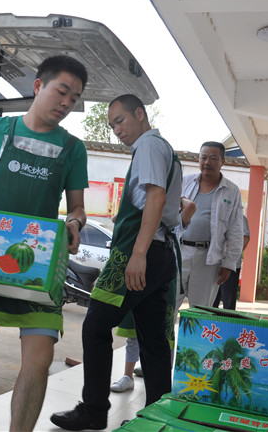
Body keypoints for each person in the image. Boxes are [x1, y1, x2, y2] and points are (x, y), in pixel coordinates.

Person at [0, 55, 89, 432]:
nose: (66, 103)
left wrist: (74, 223)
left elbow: (77, 207)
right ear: (38, 86)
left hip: (38, 263)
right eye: (62, 92)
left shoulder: (73, 148)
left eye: (74, 98)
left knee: (39, 361)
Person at [51, 94, 182, 430]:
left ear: (140, 113)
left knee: (96, 325)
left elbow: (156, 196)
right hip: (160, 252)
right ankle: (157, 416)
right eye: (111, 126)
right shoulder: (163, 149)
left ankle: (94, 410)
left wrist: (138, 254)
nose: (117, 131)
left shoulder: (149, 145)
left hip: (139, 250)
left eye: (120, 121)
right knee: (153, 340)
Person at [111, 197, 196, 392]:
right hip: (138, 274)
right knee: (133, 330)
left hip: (163, 279)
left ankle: (159, 380)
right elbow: (117, 219)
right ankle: (127, 376)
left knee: (161, 331)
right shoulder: (143, 220)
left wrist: (172, 197)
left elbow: (190, 206)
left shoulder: (172, 225)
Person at [174, 141, 243, 316]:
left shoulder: (231, 191)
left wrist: (229, 263)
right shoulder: (185, 182)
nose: (207, 162)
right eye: (203, 157)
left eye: (213, 158)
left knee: (200, 311)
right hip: (179, 252)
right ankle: (166, 335)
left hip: (209, 258)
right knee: (168, 306)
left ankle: (193, 336)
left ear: (222, 161)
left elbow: (235, 230)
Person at [213, 214, 250, 310]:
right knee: (212, 301)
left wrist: (233, 256)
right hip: (215, 264)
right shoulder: (217, 215)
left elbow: (245, 238)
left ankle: (228, 320)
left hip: (231, 266)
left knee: (228, 301)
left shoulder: (240, 217)